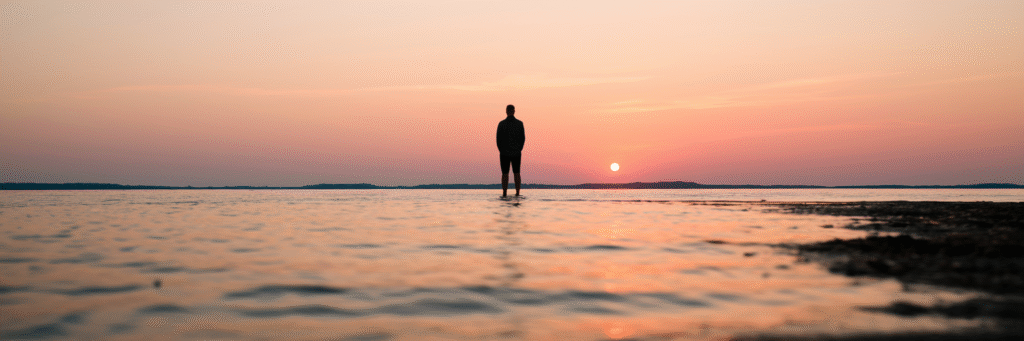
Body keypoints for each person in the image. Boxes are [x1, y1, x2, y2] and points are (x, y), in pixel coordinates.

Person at [496, 104, 525, 197]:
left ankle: (507, 193)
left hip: (510, 152)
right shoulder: (517, 124)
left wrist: (518, 149)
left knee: (510, 173)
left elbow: (522, 139)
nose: (510, 112)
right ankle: (515, 193)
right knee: (511, 173)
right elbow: (498, 139)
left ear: (507, 111)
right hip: (510, 152)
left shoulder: (504, 124)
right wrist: (518, 149)